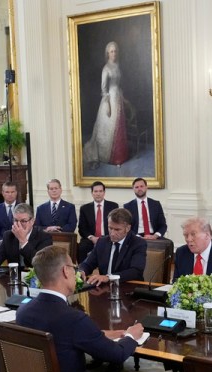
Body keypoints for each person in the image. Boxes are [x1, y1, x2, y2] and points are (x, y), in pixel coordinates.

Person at [15, 246, 168, 372]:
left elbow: (64, 336)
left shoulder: (25, 310)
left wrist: (103, 334)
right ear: (65, 271)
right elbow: (117, 355)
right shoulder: (73, 318)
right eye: (73, 266)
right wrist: (132, 335)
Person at [82, 41, 129, 169]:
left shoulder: (117, 66)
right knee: (109, 129)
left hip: (118, 98)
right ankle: (108, 156)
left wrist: (123, 98)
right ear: (108, 53)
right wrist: (107, 105)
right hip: (109, 100)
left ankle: (120, 156)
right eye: (111, 51)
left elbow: (119, 85)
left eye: (115, 51)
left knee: (119, 127)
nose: (114, 53)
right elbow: (104, 89)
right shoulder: (106, 68)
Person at [79, 207, 145, 285]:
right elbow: (87, 264)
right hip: (103, 288)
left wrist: (109, 277)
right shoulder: (102, 242)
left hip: (128, 286)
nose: (112, 233)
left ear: (127, 228)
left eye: (117, 230)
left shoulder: (138, 243)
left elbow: (136, 271)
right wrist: (82, 271)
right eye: (110, 228)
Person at [0, 203, 52, 270]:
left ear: (32, 221)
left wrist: (23, 241)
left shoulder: (44, 237)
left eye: (23, 221)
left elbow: (40, 263)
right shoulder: (9, 235)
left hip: (35, 277)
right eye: (16, 220)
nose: (19, 225)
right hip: (14, 277)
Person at [77, 181, 118, 263]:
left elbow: (116, 225)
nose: (98, 194)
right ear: (92, 193)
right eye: (95, 191)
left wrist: (106, 238)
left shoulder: (113, 206)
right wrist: (92, 238)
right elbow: (82, 228)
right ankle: (82, 272)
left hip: (108, 238)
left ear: (104, 192)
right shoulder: (84, 208)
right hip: (91, 239)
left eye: (100, 191)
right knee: (81, 247)